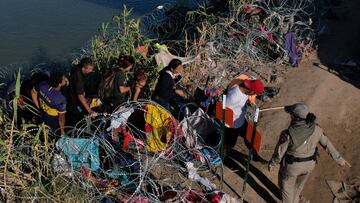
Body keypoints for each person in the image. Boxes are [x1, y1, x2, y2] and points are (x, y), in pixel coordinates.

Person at [268, 103, 351, 203]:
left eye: (291, 114)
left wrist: (272, 163)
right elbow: (327, 144)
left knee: (287, 190)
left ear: (295, 117)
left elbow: (279, 153)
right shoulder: (317, 129)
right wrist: (340, 159)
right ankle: (296, 200)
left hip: (292, 167)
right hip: (310, 165)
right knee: (298, 187)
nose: (290, 116)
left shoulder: (287, 134)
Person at [224, 74, 264, 152]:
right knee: (228, 145)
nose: (254, 95)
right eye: (254, 93)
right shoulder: (234, 97)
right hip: (231, 126)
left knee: (251, 138)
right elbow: (223, 112)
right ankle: (223, 157)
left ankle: (253, 154)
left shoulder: (244, 88)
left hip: (241, 121)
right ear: (251, 90)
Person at [66, 57, 96, 126]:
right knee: (76, 118)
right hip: (73, 101)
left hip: (70, 92)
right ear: (84, 68)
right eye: (90, 69)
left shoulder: (76, 67)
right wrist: (90, 111)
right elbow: (80, 96)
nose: (91, 70)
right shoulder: (79, 80)